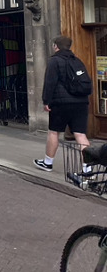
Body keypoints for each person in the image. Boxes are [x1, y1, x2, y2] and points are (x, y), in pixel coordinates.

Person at [34, 35, 91, 172]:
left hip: (61, 104)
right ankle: (88, 168)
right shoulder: (77, 61)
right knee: (80, 135)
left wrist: (46, 101)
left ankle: (48, 163)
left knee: (54, 132)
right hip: (81, 102)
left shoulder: (54, 61)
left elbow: (50, 83)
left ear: (56, 46)